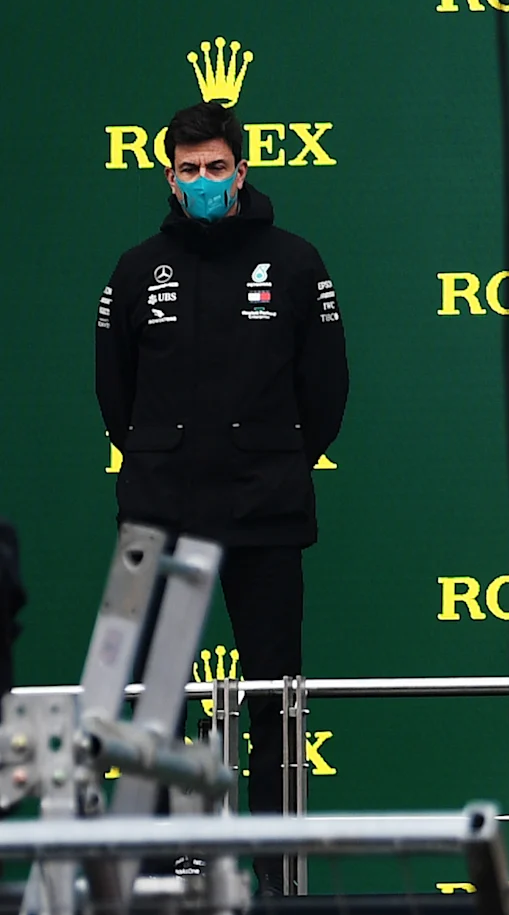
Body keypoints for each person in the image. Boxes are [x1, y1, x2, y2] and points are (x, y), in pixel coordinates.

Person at [95, 99, 349, 812]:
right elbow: (114, 396)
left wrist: (276, 458)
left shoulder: (296, 263)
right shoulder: (137, 268)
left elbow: (325, 392)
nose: (203, 179)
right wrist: (159, 457)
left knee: (276, 694)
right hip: (154, 513)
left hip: (266, 511)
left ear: (241, 171)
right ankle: (161, 859)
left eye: (215, 166)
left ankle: (275, 863)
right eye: (188, 169)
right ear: (170, 179)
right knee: (147, 696)